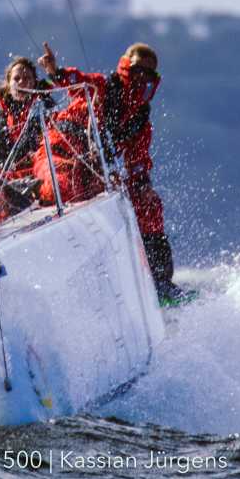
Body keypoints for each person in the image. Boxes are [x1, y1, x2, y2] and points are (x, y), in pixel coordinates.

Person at [37, 42, 186, 305]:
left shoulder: (140, 121)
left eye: (148, 74)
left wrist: (142, 185)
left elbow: (138, 161)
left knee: (148, 204)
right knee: (62, 187)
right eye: (137, 70)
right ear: (126, 66)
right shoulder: (101, 86)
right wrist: (55, 71)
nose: (142, 77)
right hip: (59, 154)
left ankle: (160, 282)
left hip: (94, 170)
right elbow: (75, 81)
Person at [0, 56, 52, 222]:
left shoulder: (46, 115)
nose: (22, 82)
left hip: (40, 181)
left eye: (27, 78)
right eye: (16, 78)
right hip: (6, 186)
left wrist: (55, 73)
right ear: (8, 85)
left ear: (35, 84)